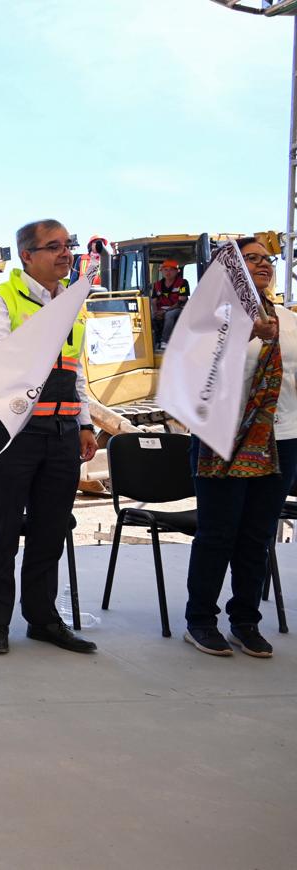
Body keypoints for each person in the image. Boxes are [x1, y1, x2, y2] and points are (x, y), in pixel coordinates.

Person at [0, 219, 98, 655]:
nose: (65, 254)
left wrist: (85, 424)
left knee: (50, 531)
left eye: (68, 245)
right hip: (12, 434)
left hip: (62, 434)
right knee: (3, 531)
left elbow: (75, 371)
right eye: (54, 246)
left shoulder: (72, 304)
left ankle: (43, 619)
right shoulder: (2, 299)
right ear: (27, 255)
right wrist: (45, 327)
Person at [183, 238, 293, 658]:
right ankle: (200, 621)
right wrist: (248, 331)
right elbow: (196, 371)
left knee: (257, 535)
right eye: (252, 258)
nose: (263, 264)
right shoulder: (209, 318)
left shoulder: (287, 319)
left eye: (268, 258)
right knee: (218, 534)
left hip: (282, 439)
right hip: (223, 437)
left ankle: (245, 621)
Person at [152, 259, 189, 349]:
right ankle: (155, 342)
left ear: (177, 271)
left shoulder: (183, 283)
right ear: (161, 271)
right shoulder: (157, 285)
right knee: (149, 317)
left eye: (171, 270)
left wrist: (165, 311)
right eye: (165, 270)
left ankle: (165, 341)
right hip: (161, 310)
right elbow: (154, 301)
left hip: (178, 309)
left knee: (169, 315)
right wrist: (155, 312)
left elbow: (181, 301)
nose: (168, 272)